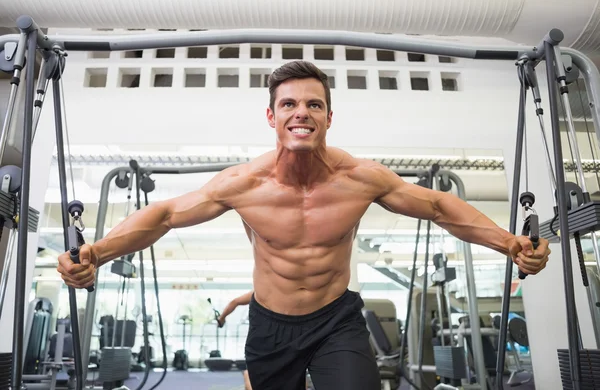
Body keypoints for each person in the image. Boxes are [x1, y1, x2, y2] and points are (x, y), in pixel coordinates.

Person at [58, 60, 551, 390]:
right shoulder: (242, 184)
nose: (302, 113)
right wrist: (95, 254)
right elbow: (164, 215)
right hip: (270, 327)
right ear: (271, 116)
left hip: (335, 320)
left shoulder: (361, 178)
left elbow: (442, 207)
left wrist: (510, 244)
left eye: (313, 104)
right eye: (290, 105)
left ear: (329, 117)